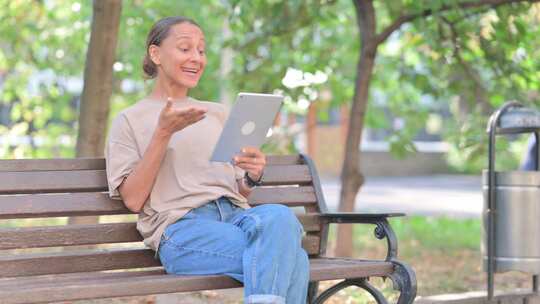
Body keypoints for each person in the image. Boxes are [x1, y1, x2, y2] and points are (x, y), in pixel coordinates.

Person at [104, 16, 309, 304]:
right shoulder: (130, 120)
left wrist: (251, 175)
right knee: (292, 257)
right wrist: (162, 134)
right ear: (155, 53)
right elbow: (134, 200)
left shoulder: (218, 113)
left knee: (280, 216)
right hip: (183, 230)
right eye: (185, 48)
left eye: (201, 50)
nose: (196, 58)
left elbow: (237, 190)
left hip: (238, 218)